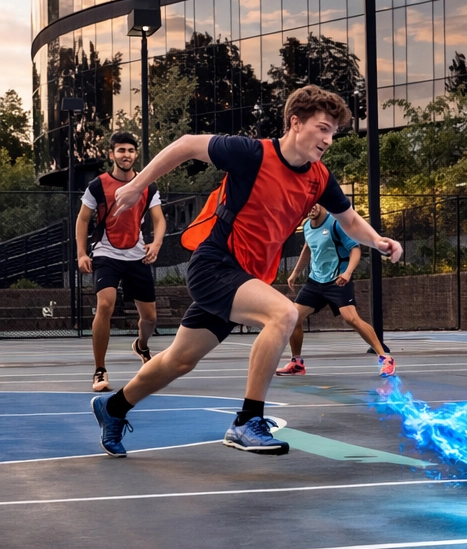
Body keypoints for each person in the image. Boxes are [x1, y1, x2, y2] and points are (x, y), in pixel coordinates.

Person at [90, 85, 403, 457]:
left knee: (180, 359)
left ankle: (113, 407)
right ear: (295, 122)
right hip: (215, 264)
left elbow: (349, 220)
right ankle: (247, 421)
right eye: (322, 128)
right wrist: (138, 185)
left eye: (333, 131)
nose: (329, 139)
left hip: (246, 276)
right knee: (284, 313)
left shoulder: (318, 177)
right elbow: (188, 143)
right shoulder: (252, 153)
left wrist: (378, 240)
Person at [75, 132, 166, 392]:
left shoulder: (147, 185)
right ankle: (100, 370)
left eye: (130, 150)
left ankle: (142, 346)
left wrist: (156, 242)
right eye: (121, 150)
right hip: (105, 254)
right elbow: (82, 219)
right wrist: (82, 253)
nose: (126, 155)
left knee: (149, 318)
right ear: (111, 154)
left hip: (137, 254)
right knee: (105, 304)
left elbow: (159, 219)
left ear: (135, 154)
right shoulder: (98, 185)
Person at [275, 203, 397, 377]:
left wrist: (347, 273)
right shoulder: (307, 226)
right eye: (307, 205)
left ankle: (385, 358)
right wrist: (295, 272)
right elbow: (308, 247)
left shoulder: (335, 223)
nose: (311, 208)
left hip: (338, 279)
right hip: (315, 281)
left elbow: (355, 249)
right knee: (293, 317)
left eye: (314, 204)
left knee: (351, 319)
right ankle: (297, 363)